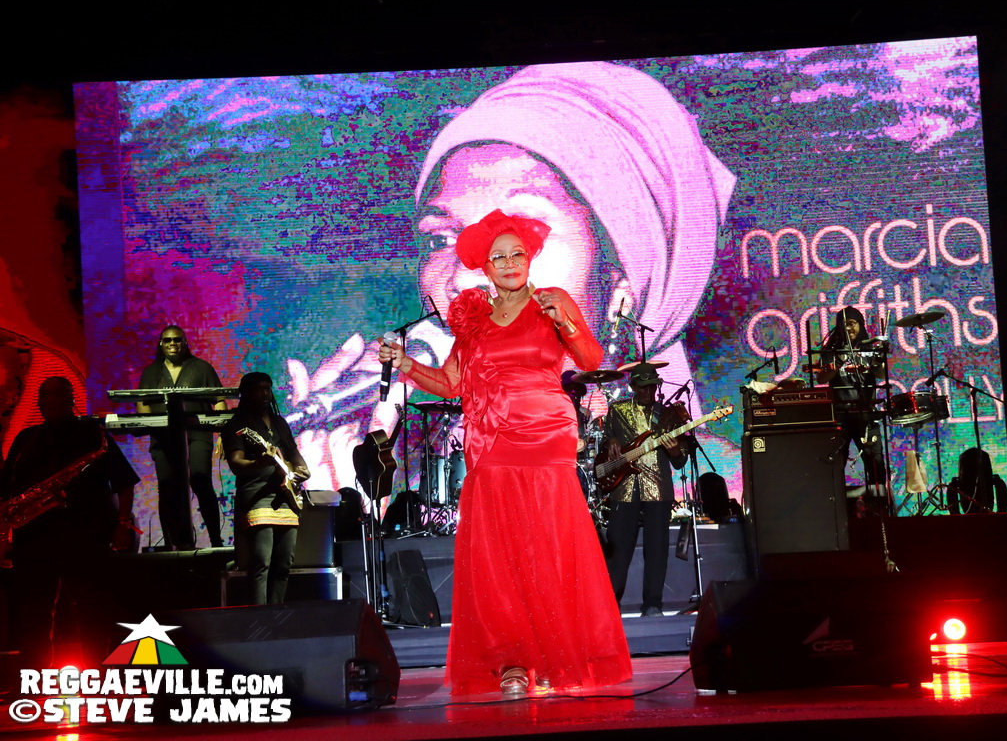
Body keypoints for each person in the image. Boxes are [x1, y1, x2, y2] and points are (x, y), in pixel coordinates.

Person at [287, 61, 737, 496]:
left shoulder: (719, 481)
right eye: (440, 239)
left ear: (622, 278)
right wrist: (349, 513)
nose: (463, 278)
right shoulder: (421, 471)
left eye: (523, 235)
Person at [377, 209, 631, 697]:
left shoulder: (552, 301)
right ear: (484, 267)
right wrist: (404, 362)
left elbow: (592, 361)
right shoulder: (473, 318)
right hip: (490, 441)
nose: (510, 262)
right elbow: (452, 381)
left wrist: (569, 326)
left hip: (546, 435)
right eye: (499, 257)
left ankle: (561, 653)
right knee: (500, 553)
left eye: (518, 253)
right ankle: (513, 660)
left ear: (530, 257)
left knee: (550, 545)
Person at [0, 377, 138, 665]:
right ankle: (35, 677)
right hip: (35, 537)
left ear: (70, 399)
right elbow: (6, 492)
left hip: (85, 533)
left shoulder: (92, 434)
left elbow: (125, 481)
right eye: (42, 396)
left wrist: (123, 523)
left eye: (54, 396)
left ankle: (96, 674)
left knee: (91, 610)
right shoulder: (26, 438)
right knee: (33, 614)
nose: (45, 402)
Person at [600, 362, 690, 616]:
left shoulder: (669, 415)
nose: (649, 392)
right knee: (618, 549)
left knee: (657, 548)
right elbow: (606, 442)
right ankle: (610, 606)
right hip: (624, 487)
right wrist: (612, 440)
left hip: (658, 488)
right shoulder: (617, 410)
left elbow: (680, 460)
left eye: (652, 387)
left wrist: (675, 450)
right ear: (632, 387)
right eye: (643, 388)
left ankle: (653, 604)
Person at [222, 372, 311, 605]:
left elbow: (292, 452)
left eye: (267, 389)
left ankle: (277, 611)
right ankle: (260, 616)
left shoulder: (279, 422)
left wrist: (302, 469)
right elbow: (236, 462)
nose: (264, 394)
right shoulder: (238, 425)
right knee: (262, 561)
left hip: (285, 496)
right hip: (257, 496)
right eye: (259, 389)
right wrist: (259, 462)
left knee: (284, 562)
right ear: (246, 393)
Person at [137, 324, 227, 548]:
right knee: (167, 486)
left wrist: (223, 432)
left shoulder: (201, 368)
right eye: (167, 340)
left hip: (197, 434)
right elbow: (142, 401)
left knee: (200, 479)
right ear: (161, 344)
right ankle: (170, 543)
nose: (172, 344)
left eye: (177, 340)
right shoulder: (152, 372)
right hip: (164, 437)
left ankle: (215, 540)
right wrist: (150, 423)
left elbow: (219, 400)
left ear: (185, 342)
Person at [817, 306, 889, 526]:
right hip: (840, 414)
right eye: (845, 323)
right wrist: (838, 363)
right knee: (836, 463)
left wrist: (879, 359)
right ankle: (836, 512)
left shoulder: (869, 349)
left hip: (866, 413)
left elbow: (881, 374)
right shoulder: (831, 351)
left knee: (875, 462)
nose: (849, 327)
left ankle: (879, 510)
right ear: (839, 326)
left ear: (860, 325)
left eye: (853, 323)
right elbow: (822, 377)